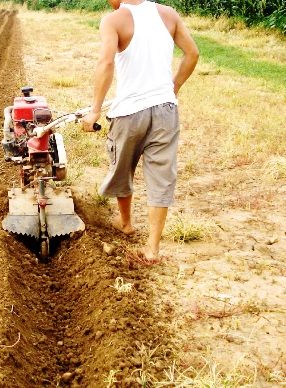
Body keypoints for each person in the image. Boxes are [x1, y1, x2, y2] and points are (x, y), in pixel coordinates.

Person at [81, 0, 199, 259]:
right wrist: (174, 87)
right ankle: (152, 248)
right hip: (166, 110)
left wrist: (94, 110)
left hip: (130, 112)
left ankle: (125, 223)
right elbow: (193, 54)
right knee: (161, 174)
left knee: (122, 167)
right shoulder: (168, 14)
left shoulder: (114, 20)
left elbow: (106, 63)